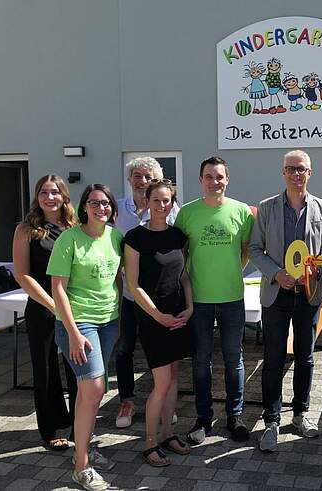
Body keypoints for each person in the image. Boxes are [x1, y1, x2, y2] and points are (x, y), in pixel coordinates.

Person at [249, 149, 322, 452]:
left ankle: (300, 413)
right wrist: (277, 274)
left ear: (309, 173)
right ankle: (272, 420)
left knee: (306, 357)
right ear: (283, 173)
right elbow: (255, 249)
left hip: (309, 295)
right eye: (291, 169)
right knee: (273, 358)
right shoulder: (267, 208)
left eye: (301, 169)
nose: (296, 174)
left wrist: (317, 269)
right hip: (277, 294)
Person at [48, 184, 123, 491]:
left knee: (88, 392)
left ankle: (84, 447)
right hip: (79, 325)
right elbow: (58, 288)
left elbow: (119, 279)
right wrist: (74, 333)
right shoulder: (70, 238)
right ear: (83, 207)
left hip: (109, 322)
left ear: (112, 207)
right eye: (93, 202)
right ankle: (81, 466)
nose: (100, 207)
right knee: (93, 389)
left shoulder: (115, 237)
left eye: (105, 202)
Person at [174, 156, 254, 444]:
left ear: (227, 179)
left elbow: (245, 250)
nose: (214, 181)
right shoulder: (187, 213)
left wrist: (231, 272)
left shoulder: (242, 211)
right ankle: (203, 418)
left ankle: (235, 416)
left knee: (234, 360)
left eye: (219, 176)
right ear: (200, 180)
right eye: (209, 176)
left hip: (232, 296)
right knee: (201, 361)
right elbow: (180, 255)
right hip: (199, 300)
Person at [124, 179, 194, 466]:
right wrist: (157, 316)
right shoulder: (134, 237)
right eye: (156, 200)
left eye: (167, 201)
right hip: (153, 319)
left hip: (178, 316)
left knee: (174, 377)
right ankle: (150, 442)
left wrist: (189, 307)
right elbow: (133, 283)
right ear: (147, 200)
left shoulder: (178, 236)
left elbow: (183, 276)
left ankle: (168, 433)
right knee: (162, 382)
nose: (162, 205)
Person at [12, 175, 78, 451]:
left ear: (64, 196)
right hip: (43, 309)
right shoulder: (26, 230)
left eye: (54, 192)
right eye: (43, 192)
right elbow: (22, 275)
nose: (49, 197)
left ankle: (78, 422)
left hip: (76, 308)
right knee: (46, 369)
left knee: (77, 369)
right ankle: (49, 430)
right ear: (36, 197)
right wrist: (53, 305)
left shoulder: (74, 227)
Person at [114, 156, 180, 429]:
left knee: (163, 353)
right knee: (125, 348)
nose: (143, 181)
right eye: (138, 176)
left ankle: (163, 401)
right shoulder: (114, 210)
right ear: (129, 179)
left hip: (163, 299)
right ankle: (127, 401)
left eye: (149, 177)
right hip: (129, 296)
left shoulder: (172, 210)